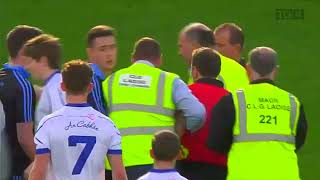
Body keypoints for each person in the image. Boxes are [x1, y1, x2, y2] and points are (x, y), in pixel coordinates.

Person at [102, 37, 205, 179]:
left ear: (133, 59)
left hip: (116, 164)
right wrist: (179, 133)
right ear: (160, 59)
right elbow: (197, 112)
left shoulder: (111, 81)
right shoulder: (169, 80)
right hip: (158, 160)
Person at [207, 47, 308, 180]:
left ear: (248, 69)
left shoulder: (232, 100)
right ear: (276, 70)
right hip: (285, 175)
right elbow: (299, 139)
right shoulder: (292, 102)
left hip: (244, 175)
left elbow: (216, 142)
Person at [29, 60, 127, 180]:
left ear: (62, 86)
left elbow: (38, 172)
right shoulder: (107, 124)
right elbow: (119, 175)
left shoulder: (48, 123)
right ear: (90, 87)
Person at [178, 47, 229, 180]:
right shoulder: (230, 99)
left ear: (194, 71)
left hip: (186, 168)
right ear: (218, 71)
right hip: (221, 170)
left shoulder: (184, 94)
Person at [0, 25, 42, 178]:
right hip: (15, 171)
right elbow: (24, 138)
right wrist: (43, 164)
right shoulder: (23, 86)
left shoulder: (3, 77)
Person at [178, 23, 249, 91]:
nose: (179, 53)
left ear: (195, 45)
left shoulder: (200, 71)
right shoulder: (238, 69)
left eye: (181, 46)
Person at [22, 34, 65, 129]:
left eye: (29, 62)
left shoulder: (55, 87)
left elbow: (63, 124)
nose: (26, 67)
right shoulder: (55, 84)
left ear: (43, 61)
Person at [86, 25, 118, 114]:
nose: (109, 54)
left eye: (112, 47)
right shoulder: (90, 80)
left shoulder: (113, 80)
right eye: (103, 49)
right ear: (90, 53)